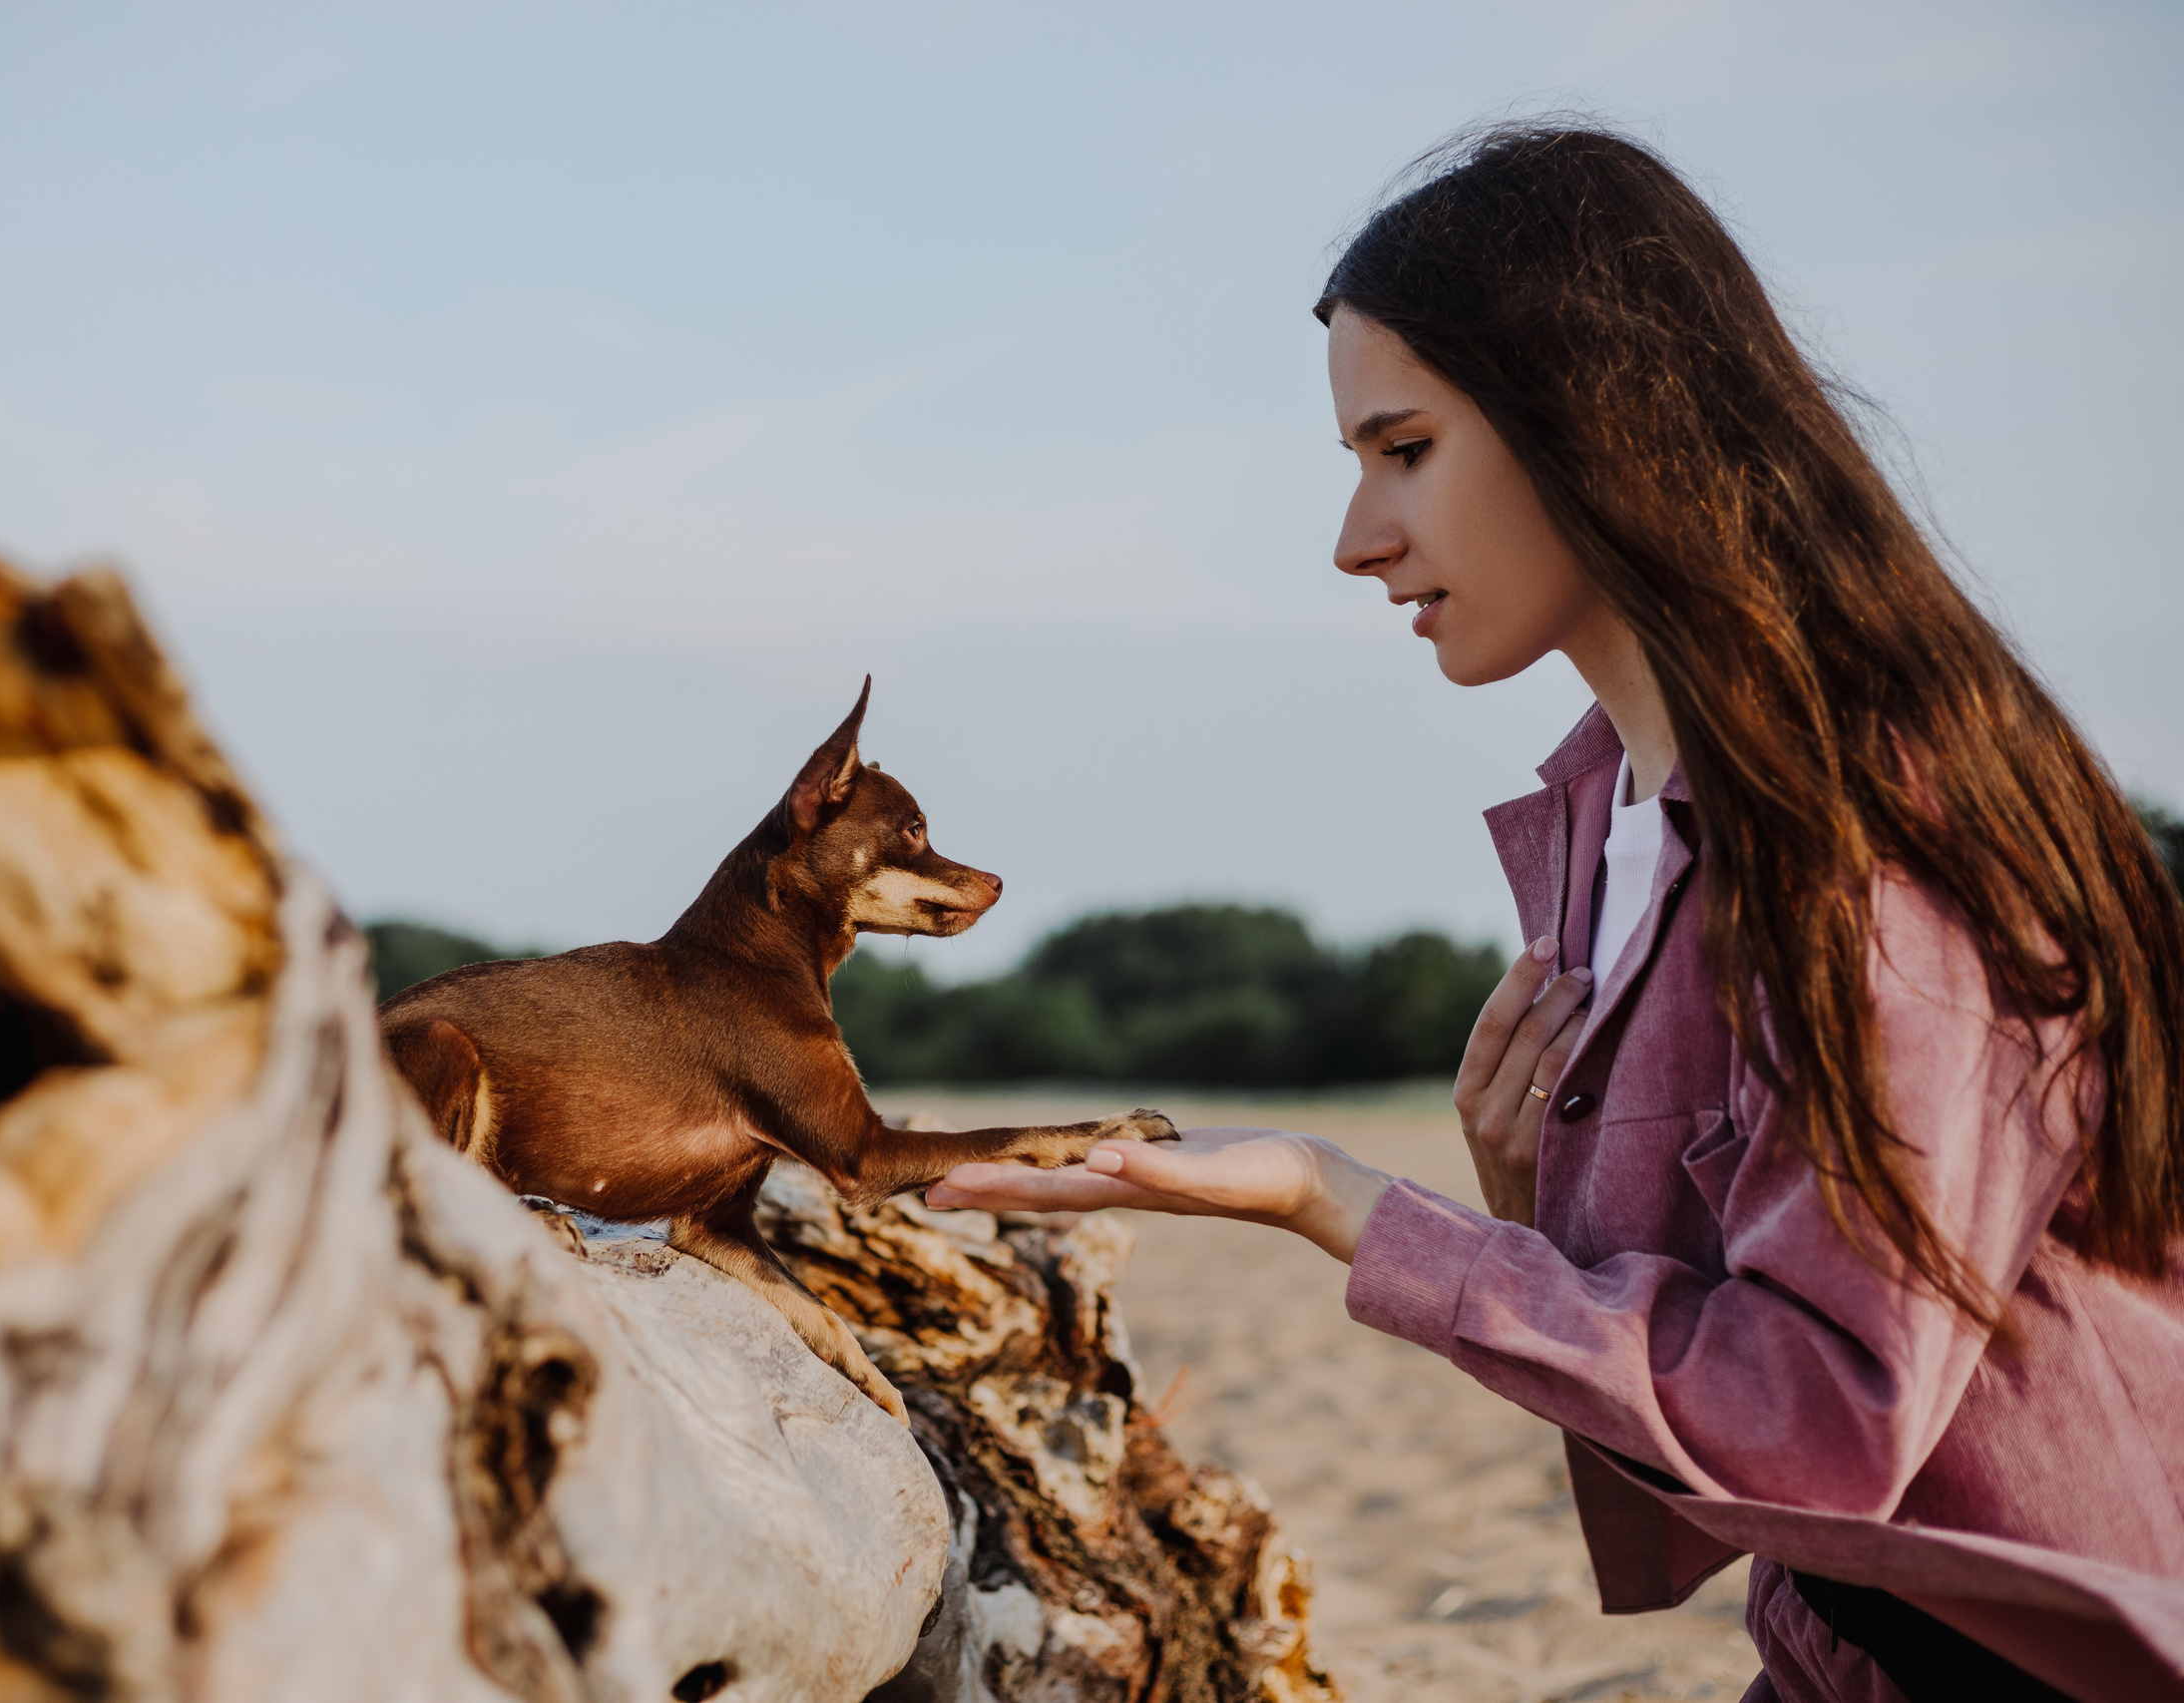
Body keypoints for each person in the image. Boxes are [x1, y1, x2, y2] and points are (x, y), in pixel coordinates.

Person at [926, 126, 2184, 1703]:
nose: (1356, 539)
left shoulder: (1870, 838)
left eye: (1405, 450)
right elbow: (1741, 1413)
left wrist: (1349, 1206)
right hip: (1829, 1648)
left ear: (1594, 419)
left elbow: (1822, 1429)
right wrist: (1538, 1212)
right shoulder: (1609, 820)